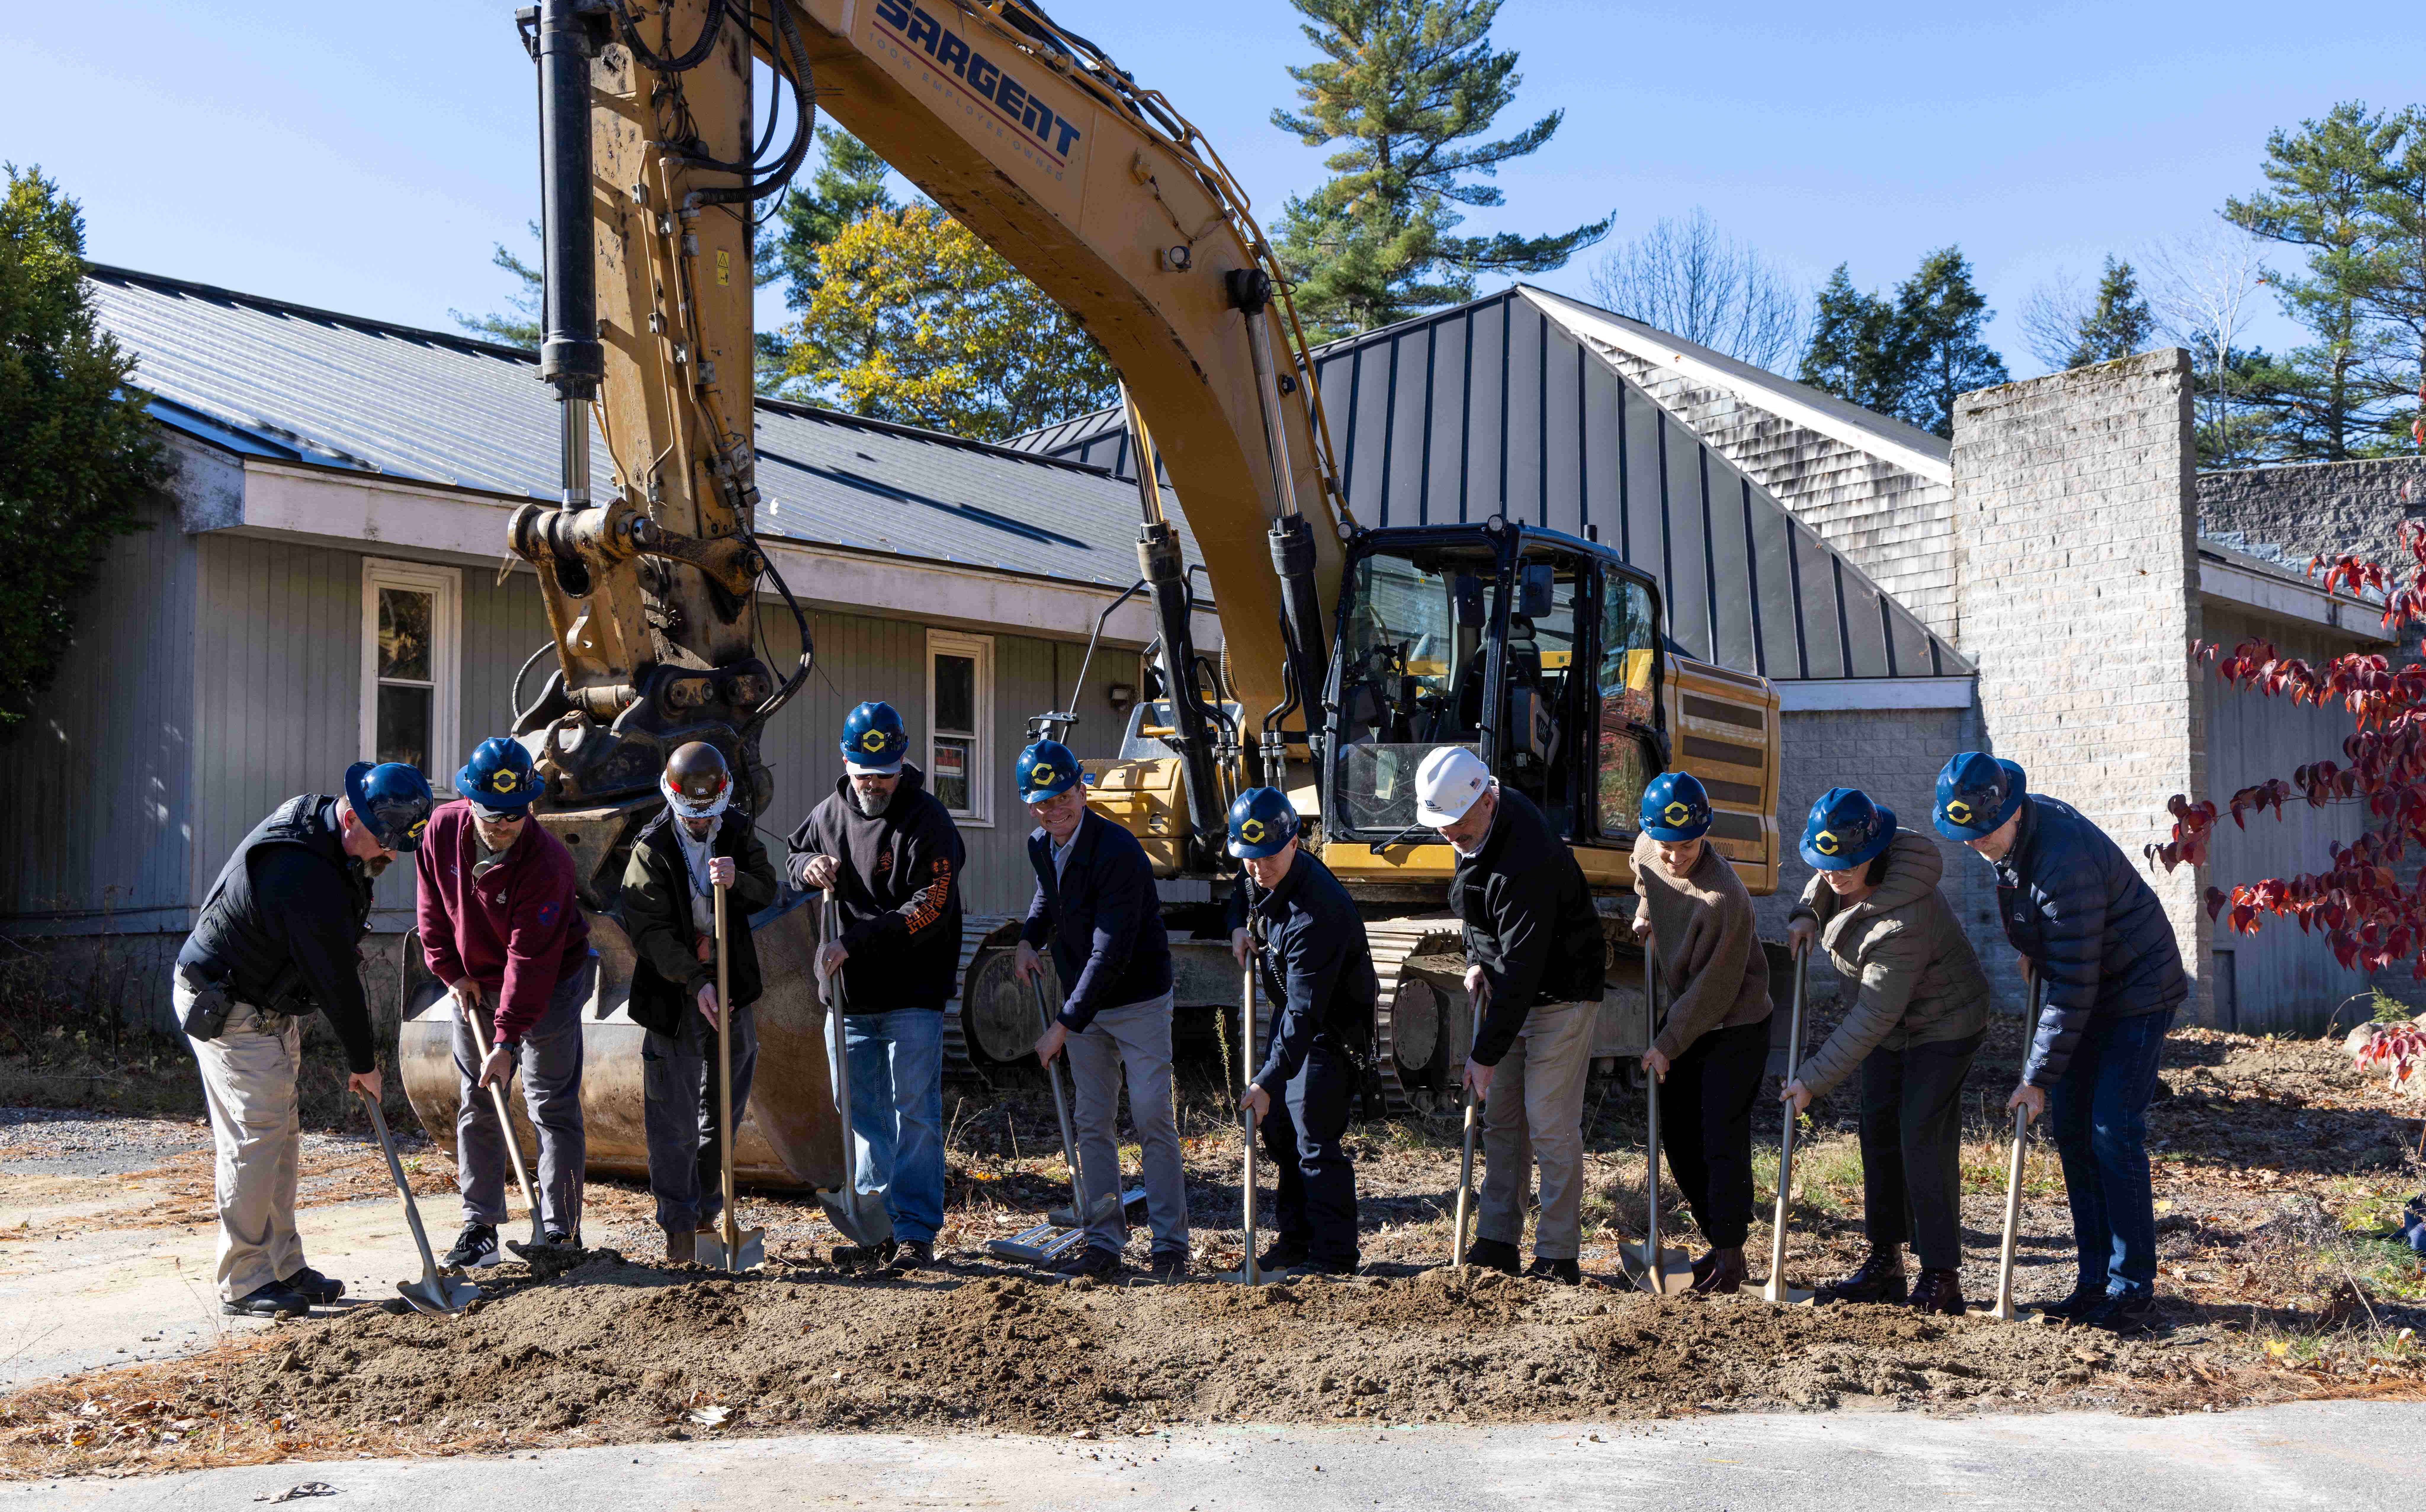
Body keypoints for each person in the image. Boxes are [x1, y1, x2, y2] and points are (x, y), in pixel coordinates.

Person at [1936, 752, 2188, 1335]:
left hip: (2136, 992)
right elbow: (2058, 942)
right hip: (2090, 982)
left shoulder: (2063, 860)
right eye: (1964, 834)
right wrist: (2037, 945)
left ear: (2011, 809)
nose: (1974, 844)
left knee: (2111, 1129)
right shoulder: (2015, 834)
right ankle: (2093, 1281)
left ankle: (2132, 1292)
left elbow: (2074, 985)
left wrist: (2036, 1078)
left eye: (1981, 832)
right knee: (2073, 1130)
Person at [175, 761, 434, 1317]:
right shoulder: (300, 870)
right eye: (383, 843)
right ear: (352, 817)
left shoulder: (329, 836)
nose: (386, 857)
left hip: (267, 1001)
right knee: (256, 1138)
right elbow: (336, 978)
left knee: (281, 1138)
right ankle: (244, 1282)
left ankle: (284, 1267)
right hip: (227, 1002)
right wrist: (364, 1062)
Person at [1780, 787, 1990, 1315]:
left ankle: (1942, 1276)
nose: (1835, 874)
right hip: (1893, 1024)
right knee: (1877, 1130)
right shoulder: (1845, 870)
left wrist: (1811, 1080)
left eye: (1846, 864)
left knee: (1920, 1134)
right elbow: (1827, 880)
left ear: (1874, 851)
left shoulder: (1905, 918)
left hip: (1944, 1023)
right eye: (1826, 863)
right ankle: (1885, 1264)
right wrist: (1807, 911)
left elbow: (1873, 1013)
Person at [786, 700, 965, 1268]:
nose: (875, 784)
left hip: (912, 994)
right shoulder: (828, 814)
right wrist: (809, 867)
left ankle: (914, 1232)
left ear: (903, 761)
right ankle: (876, 1227)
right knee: (858, 1108)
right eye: (864, 773)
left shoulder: (927, 820)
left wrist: (855, 943)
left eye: (885, 773)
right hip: (848, 998)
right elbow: (792, 859)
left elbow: (931, 906)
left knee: (913, 1111)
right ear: (845, 762)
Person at [1417, 746, 1605, 1285]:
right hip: (1512, 990)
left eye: (1454, 827)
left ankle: (1558, 1255)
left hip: (1563, 995)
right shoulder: (1472, 830)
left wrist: (1483, 1055)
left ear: (1482, 799)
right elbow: (1473, 909)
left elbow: (1524, 966)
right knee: (1503, 1123)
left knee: (1548, 1122)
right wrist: (1477, 961)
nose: (1449, 837)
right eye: (1443, 829)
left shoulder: (1528, 855)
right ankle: (1498, 1243)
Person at [414, 736, 596, 1269]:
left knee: (549, 1102)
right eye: (491, 817)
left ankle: (560, 1230)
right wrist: (451, 972)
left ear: (530, 808)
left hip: (550, 981)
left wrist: (507, 1040)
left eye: (513, 819)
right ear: (469, 801)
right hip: (472, 980)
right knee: (478, 1100)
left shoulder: (548, 863)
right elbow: (431, 907)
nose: (501, 829)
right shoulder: (442, 830)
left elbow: (531, 961)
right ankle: (481, 1228)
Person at [1013, 738, 1190, 1279]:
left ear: (1082, 791)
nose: (1055, 810)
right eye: (1043, 803)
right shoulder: (1042, 844)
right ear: (1031, 805)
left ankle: (1170, 1246)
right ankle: (1104, 1243)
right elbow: (1053, 895)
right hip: (1083, 1002)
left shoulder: (1119, 852)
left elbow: (1109, 952)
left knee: (1152, 1115)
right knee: (1093, 1123)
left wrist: (1062, 1026)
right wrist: (1028, 938)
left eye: (1063, 797)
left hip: (1137, 1000)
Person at [618, 742, 780, 1264]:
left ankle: (712, 1215)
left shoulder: (735, 830)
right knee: (675, 1120)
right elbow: (651, 933)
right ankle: (680, 1233)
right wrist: (695, 980)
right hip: (673, 995)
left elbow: (768, 890)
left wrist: (740, 881)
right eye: (692, 814)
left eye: (708, 814)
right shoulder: (651, 847)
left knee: (724, 1110)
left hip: (733, 987)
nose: (700, 824)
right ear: (673, 798)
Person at [1629, 770, 1774, 1295]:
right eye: (1666, 846)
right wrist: (1646, 913)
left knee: (1719, 1134)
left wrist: (1667, 1044)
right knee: (1678, 1133)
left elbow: (1716, 990)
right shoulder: (1650, 848)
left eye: (1686, 846)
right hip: (1691, 1010)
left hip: (1736, 1020)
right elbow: (1645, 875)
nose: (1674, 857)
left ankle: (1733, 1258)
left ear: (1704, 834)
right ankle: (1715, 1236)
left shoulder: (1725, 897)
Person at [1225, 787, 1374, 1276]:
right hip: (1295, 1016)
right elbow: (1239, 891)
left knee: (1311, 1132)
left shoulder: (1316, 913)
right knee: (1280, 1130)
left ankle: (1334, 1257)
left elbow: (1306, 1016)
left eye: (1266, 858)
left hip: (1331, 1032)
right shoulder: (1261, 876)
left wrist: (1267, 1081)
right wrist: (1236, 929)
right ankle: (1295, 1240)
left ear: (1294, 843)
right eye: (1248, 859)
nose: (1256, 869)